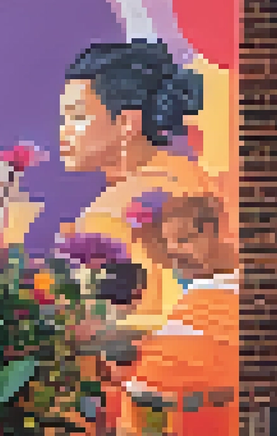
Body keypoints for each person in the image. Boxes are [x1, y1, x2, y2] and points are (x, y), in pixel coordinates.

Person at [58, 39, 208, 330]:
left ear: (127, 122)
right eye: (63, 118)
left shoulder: (111, 213)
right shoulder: (191, 177)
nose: (63, 132)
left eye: (77, 116)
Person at [122, 193, 241, 436]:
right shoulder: (203, 290)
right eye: (171, 244)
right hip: (192, 430)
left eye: (185, 240)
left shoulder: (221, 294)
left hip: (213, 427)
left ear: (216, 232)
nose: (176, 252)